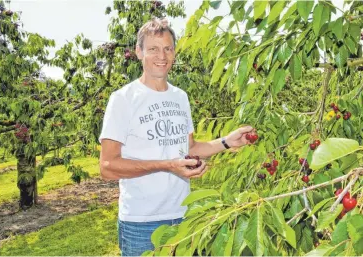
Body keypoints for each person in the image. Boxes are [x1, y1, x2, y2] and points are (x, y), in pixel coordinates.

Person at [98, 17, 255, 256]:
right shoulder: (123, 99)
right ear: (139, 52)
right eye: (153, 49)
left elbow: (190, 146)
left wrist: (226, 142)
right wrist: (168, 166)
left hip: (185, 217)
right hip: (141, 224)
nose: (162, 56)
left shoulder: (180, 97)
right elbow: (108, 167)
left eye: (168, 49)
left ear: (174, 53)